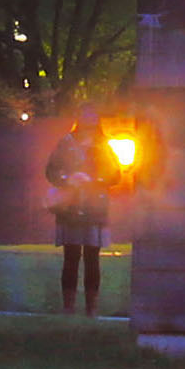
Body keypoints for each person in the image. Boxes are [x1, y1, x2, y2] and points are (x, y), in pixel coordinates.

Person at [45, 123, 115, 316]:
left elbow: (115, 174)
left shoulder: (103, 147)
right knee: (71, 257)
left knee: (92, 259)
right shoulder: (65, 145)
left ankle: (91, 309)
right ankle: (69, 308)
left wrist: (95, 180)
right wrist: (68, 179)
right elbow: (51, 171)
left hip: (94, 209)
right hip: (71, 208)